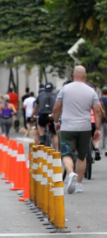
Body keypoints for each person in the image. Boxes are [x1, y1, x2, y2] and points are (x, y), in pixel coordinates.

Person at [53, 66, 101, 194]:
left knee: (66, 154)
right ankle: (79, 184)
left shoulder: (64, 89)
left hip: (68, 127)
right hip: (85, 127)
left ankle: (71, 173)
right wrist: (97, 128)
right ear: (85, 76)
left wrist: (56, 121)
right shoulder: (91, 91)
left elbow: (57, 108)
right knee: (82, 155)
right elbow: (97, 110)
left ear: (73, 75)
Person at [32, 83, 59, 150]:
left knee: (40, 125)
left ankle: (41, 137)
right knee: (54, 134)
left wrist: (32, 115)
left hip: (43, 115)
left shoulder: (40, 95)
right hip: (52, 116)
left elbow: (36, 107)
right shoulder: (56, 95)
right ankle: (55, 150)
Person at [100, 87, 107, 156]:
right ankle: (106, 150)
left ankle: (100, 150)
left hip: (100, 120)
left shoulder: (99, 100)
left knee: (101, 135)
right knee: (106, 135)